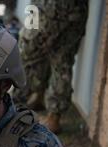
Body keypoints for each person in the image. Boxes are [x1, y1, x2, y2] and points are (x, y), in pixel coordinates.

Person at [12, 0, 89, 133]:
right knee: (62, 59)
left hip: (48, 7)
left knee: (28, 50)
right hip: (77, 9)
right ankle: (53, 115)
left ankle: (15, 106)